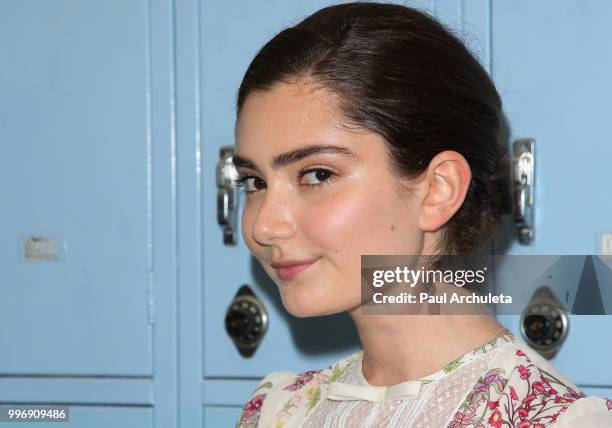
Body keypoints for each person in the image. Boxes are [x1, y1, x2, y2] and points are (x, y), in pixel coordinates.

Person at [232, 3, 612, 427]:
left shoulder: (552, 420)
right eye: (254, 182)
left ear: (438, 189)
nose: (263, 226)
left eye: (317, 174)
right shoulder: (280, 410)